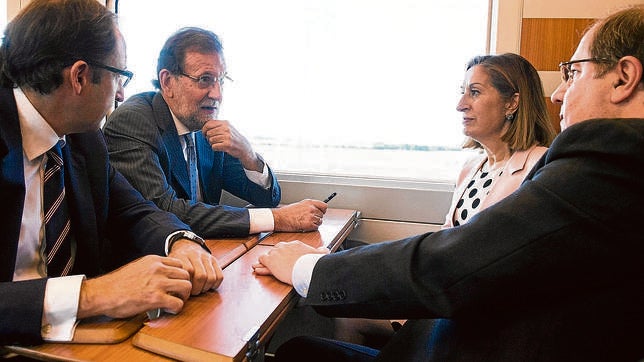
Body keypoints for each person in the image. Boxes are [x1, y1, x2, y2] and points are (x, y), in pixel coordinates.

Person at [253, 5, 644, 361]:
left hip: (464, 339)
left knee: (299, 353)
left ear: (624, 77)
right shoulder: (479, 167)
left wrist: (313, 268)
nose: (558, 93)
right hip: (454, 330)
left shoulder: (602, 167)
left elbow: (455, 262)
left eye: (573, 73)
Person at [0, 0, 222, 346]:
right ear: (80, 76)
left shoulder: (85, 140)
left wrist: (180, 243)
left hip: (76, 339)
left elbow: (133, 211)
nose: (121, 94)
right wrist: (93, 294)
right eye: (120, 76)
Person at [333, 53, 557, 348]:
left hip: (476, 312)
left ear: (512, 103)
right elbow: (444, 240)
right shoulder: (472, 167)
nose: (461, 104)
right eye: (462, 92)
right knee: (346, 308)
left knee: (336, 325)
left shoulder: (537, 166)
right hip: (446, 296)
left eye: (474, 92)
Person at [103, 27, 327, 239]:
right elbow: (165, 211)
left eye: (221, 80)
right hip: (147, 263)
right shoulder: (134, 121)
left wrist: (248, 155)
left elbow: (267, 198)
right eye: (205, 79)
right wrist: (277, 219)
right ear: (167, 81)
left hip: (205, 251)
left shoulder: (204, 127)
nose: (217, 94)